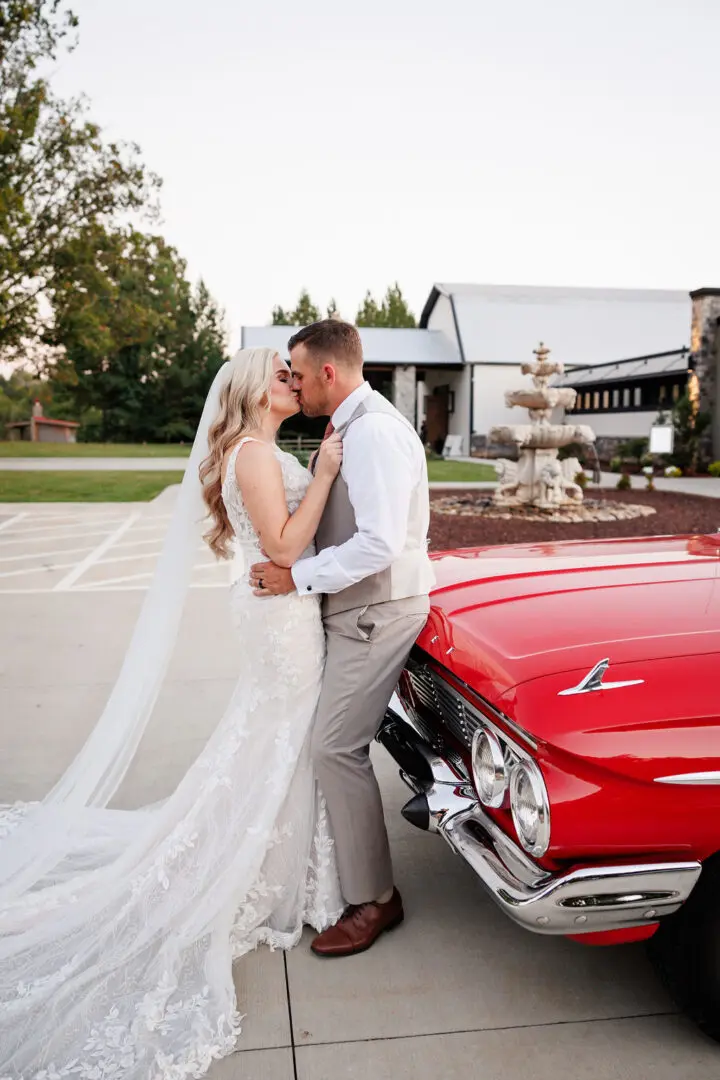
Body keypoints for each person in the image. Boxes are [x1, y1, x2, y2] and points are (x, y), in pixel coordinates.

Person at [0, 348, 346, 1080]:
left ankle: (290, 872)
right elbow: (283, 546)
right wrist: (320, 478)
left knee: (275, 743)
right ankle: (271, 879)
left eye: (295, 374)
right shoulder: (254, 454)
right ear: (254, 388)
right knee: (278, 741)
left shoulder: (256, 449)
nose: (294, 380)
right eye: (282, 375)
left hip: (282, 612)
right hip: (282, 621)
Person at [250, 319, 434, 958]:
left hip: (375, 610)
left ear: (328, 372)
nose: (293, 385)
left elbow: (380, 542)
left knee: (335, 747)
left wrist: (297, 576)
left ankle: (376, 900)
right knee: (325, 742)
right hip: (350, 608)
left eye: (298, 374)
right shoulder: (348, 427)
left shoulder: (376, 432)